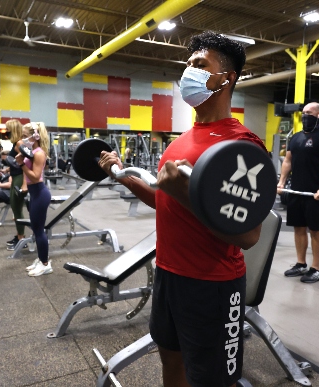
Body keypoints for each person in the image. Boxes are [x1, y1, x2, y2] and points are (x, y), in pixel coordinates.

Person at [98, 31, 265, 387]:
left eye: (200, 64)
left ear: (226, 78)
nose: (189, 71)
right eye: (188, 64)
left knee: (213, 379)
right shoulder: (182, 140)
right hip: (169, 275)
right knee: (171, 363)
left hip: (213, 285)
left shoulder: (243, 145)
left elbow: (248, 236)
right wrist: (126, 178)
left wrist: (187, 193)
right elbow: (167, 202)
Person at [277, 102, 319, 283]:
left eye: (309, 113)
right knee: (298, 228)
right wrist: (281, 182)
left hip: (316, 193)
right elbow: (287, 161)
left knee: (316, 230)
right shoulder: (296, 138)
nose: (305, 116)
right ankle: (301, 264)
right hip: (296, 190)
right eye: (303, 113)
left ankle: (316, 268)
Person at [15, 122, 52, 277]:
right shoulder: (31, 151)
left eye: (25, 136)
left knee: (39, 231)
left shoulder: (38, 153)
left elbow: (36, 177)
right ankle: (41, 258)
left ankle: (45, 264)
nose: (23, 140)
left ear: (35, 136)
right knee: (36, 230)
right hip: (35, 193)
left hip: (40, 193)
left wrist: (21, 164)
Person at [5, 119, 28, 250]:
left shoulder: (19, 143)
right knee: (15, 208)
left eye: (7, 129)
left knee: (17, 208)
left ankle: (21, 239)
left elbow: (27, 164)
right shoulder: (16, 143)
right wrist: (8, 169)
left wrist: (24, 185)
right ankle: (20, 236)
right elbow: (17, 162)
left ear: (12, 129)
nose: (5, 131)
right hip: (15, 176)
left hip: (20, 178)